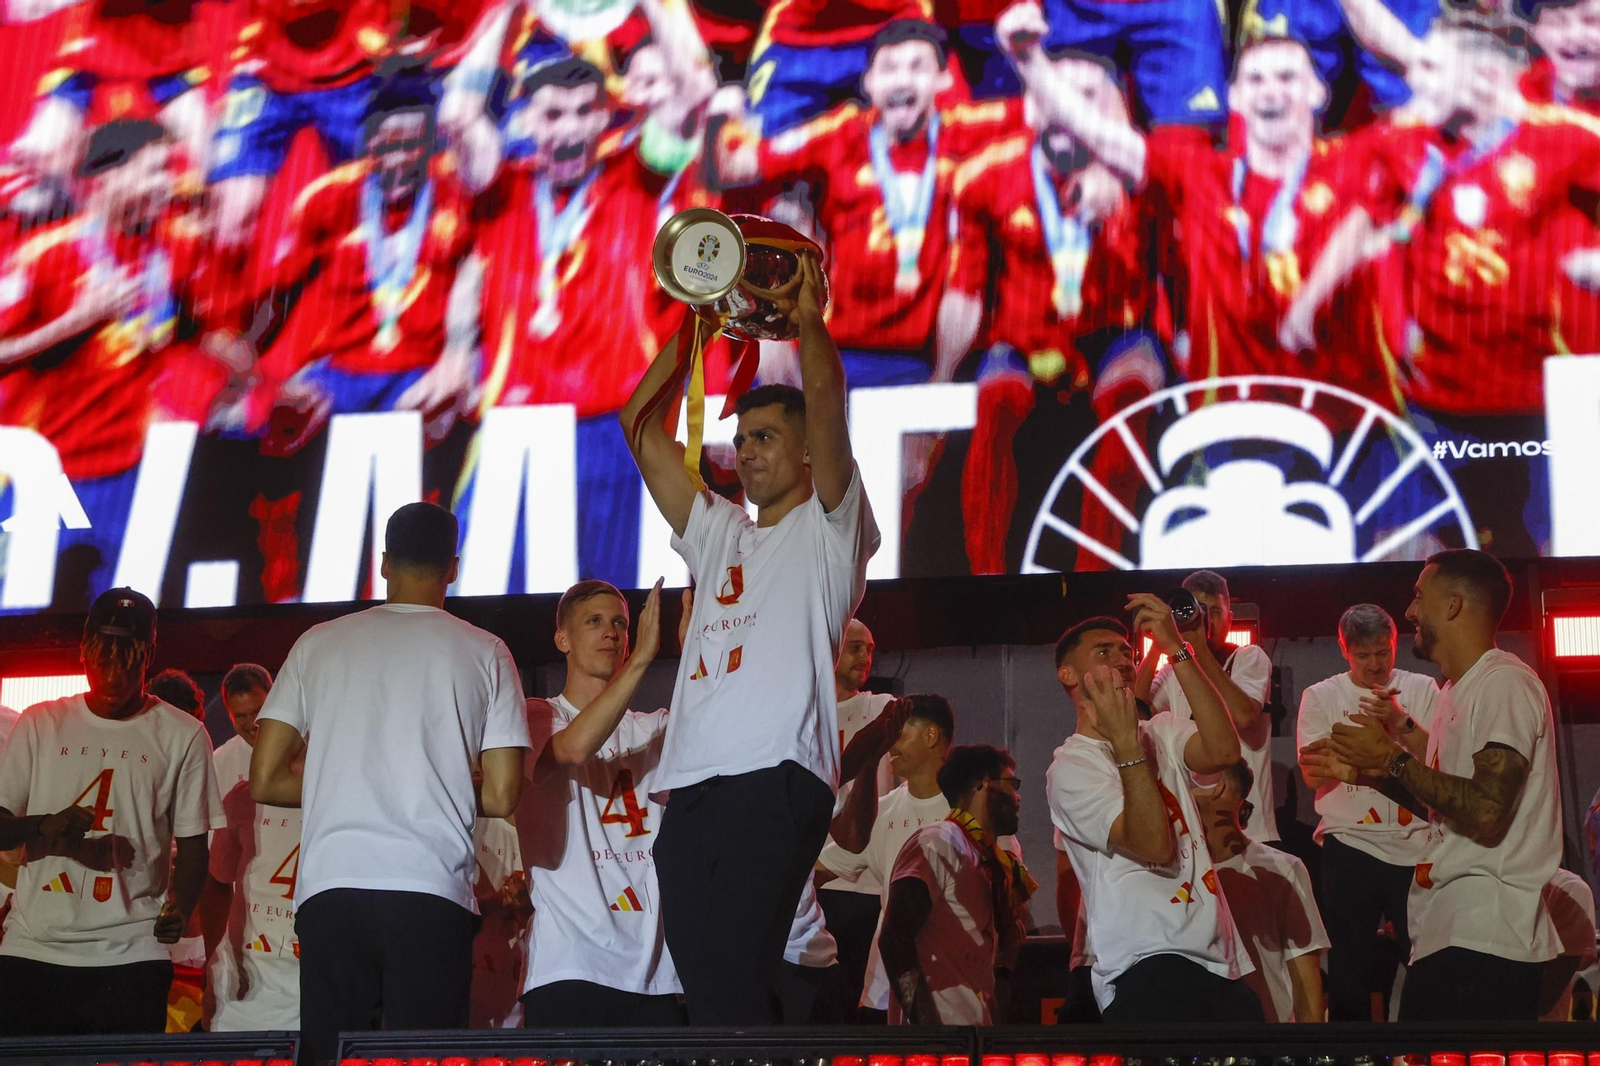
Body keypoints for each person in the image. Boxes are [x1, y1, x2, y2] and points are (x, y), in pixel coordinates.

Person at [620, 250, 880, 1023]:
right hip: (691, 790)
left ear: (807, 452)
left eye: (767, 435)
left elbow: (827, 399)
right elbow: (638, 426)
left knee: (728, 993)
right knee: (713, 1002)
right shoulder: (718, 530)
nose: (749, 449)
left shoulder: (831, 531)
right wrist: (691, 332)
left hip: (773, 780)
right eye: (745, 437)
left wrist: (808, 323)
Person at [1283, 11, 1600, 552]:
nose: (1415, 80)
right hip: (1435, 398)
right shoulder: (1411, 141)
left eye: (1432, 68)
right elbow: (1367, 215)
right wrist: (1308, 302)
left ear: (1485, 80)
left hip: (1539, 403)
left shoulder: (1570, 140)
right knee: (1419, 557)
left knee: (1552, 556)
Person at [249, 502, 530, 1063]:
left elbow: (265, 778)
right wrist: (428, 783)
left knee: (330, 1056)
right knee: (422, 1058)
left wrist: (350, 782)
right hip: (429, 889)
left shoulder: (318, 642)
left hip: (332, 886)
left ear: (383, 564)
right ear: (454, 567)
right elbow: (501, 794)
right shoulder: (486, 651)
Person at [1017, 9, 1394, 403]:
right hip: (1231, 418)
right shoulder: (1200, 176)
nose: (1271, 92)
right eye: (1256, 80)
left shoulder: (1355, 164)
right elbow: (1100, 133)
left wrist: (1311, 299)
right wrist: (1028, 60)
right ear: (1234, 98)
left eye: (1287, 78)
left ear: (1318, 90)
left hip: (1347, 417)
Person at [462, 54, 713, 591]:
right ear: (526, 121)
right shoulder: (499, 188)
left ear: (605, 118)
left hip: (617, 431)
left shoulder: (638, 180)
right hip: (520, 434)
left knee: (632, 609)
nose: (570, 129)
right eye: (552, 115)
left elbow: (695, 88)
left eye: (584, 112)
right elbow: (460, 115)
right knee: (483, 608)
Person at [939, 39, 1159, 576]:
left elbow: (1174, 279)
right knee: (993, 404)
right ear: (1032, 104)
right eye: (1053, 94)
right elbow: (964, 290)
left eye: (1085, 96)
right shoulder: (981, 176)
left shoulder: (1145, 174)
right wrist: (941, 378)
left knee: (1132, 395)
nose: (1065, 108)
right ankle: (984, 581)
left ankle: (1093, 575)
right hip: (1023, 338)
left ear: (1117, 110)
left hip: (1114, 335)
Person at [1316, 549, 1562, 1021]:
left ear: (1452, 606)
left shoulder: (1503, 682)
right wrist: (1366, 772)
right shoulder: (1454, 690)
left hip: (1489, 935)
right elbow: (1446, 801)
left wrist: (1390, 758)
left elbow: (1487, 808)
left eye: (1417, 597)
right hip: (1450, 929)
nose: (1409, 612)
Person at [716, 18, 1021, 390]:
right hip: (843, 356)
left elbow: (1046, 119)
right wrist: (720, 117)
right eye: (889, 68)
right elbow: (737, 166)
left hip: (930, 361)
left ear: (944, 80)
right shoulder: (842, 134)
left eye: (917, 67)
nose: (902, 81)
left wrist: (1029, 53)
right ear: (869, 82)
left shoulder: (966, 129)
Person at [0, 119, 215, 608]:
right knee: (14, 623)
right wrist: (76, 322)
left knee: (126, 635)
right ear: (106, 178)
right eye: (154, 171)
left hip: (130, 479)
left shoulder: (174, 247)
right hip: (46, 478)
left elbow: (196, 326)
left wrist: (258, 384)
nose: (167, 184)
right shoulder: (45, 257)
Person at [0, 587, 222, 1035]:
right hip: (33, 948)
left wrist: (181, 903)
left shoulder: (184, 734)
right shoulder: (40, 723)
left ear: (149, 656)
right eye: (102, 659)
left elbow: (195, 842)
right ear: (83, 653)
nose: (113, 676)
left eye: (128, 662)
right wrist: (45, 824)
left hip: (132, 952)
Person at [1048, 608, 1260, 1023]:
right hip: (1146, 963)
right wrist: (1127, 746)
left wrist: (1178, 650)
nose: (1124, 661)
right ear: (1069, 675)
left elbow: (1224, 751)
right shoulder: (1071, 768)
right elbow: (1154, 845)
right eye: (1104, 652)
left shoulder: (1161, 729)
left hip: (1219, 961)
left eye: (1127, 652)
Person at [516, 578, 684, 1027]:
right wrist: (644, 659)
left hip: (655, 972)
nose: (612, 632)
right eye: (594, 622)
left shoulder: (656, 726)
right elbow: (571, 750)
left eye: (621, 624)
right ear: (562, 639)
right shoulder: (535, 714)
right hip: (569, 964)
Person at [1296, 603, 1437, 1020]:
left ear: (1395, 646)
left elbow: (1436, 760)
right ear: (1345, 650)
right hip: (1350, 841)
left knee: (1424, 955)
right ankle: (1350, 1052)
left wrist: (1390, 735)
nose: (1375, 665)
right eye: (1364, 655)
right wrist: (1380, 765)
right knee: (1349, 964)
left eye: (1383, 653)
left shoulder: (1423, 688)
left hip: (1417, 844)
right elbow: (1315, 772)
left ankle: (1425, 1048)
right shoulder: (1322, 695)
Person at [818, 693, 958, 1021]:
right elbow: (817, 871)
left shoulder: (969, 804)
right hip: (885, 993)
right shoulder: (883, 811)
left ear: (931, 736)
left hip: (954, 988)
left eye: (900, 735)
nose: (890, 747)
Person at [878, 743, 1028, 1025]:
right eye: (1012, 783)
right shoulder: (939, 841)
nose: (1018, 797)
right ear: (984, 785)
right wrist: (929, 1034)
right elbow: (894, 939)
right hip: (939, 1044)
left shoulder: (987, 861)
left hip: (971, 1038)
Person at [1139, 571, 1278, 841]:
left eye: (1214, 611)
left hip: (1250, 830)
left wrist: (1197, 650)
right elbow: (1136, 713)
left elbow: (1244, 716)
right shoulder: (1174, 668)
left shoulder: (1248, 657)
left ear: (1230, 618)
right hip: (1195, 830)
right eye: (1197, 610)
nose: (1206, 619)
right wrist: (1159, 643)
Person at [1197, 760, 1330, 1023]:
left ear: (1219, 787)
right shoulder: (1173, 871)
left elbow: (1305, 979)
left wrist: (1304, 1053)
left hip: (1267, 1041)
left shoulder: (1282, 868)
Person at [815, 618, 895, 1021]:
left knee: (861, 1001)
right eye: (855, 648)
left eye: (870, 648)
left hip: (865, 881)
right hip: (815, 880)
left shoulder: (881, 708)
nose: (865, 657)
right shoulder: (804, 713)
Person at [200, 754, 303, 1032]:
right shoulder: (243, 799)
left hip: (315, 998)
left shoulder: (347, 800)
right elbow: (217, 883)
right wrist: (214, 964)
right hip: (241, 1000)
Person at [212, 664, 273, 797]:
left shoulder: (306, 747)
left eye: (258, 711)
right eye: (240, 716)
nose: (252, 724)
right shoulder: (219, 762)